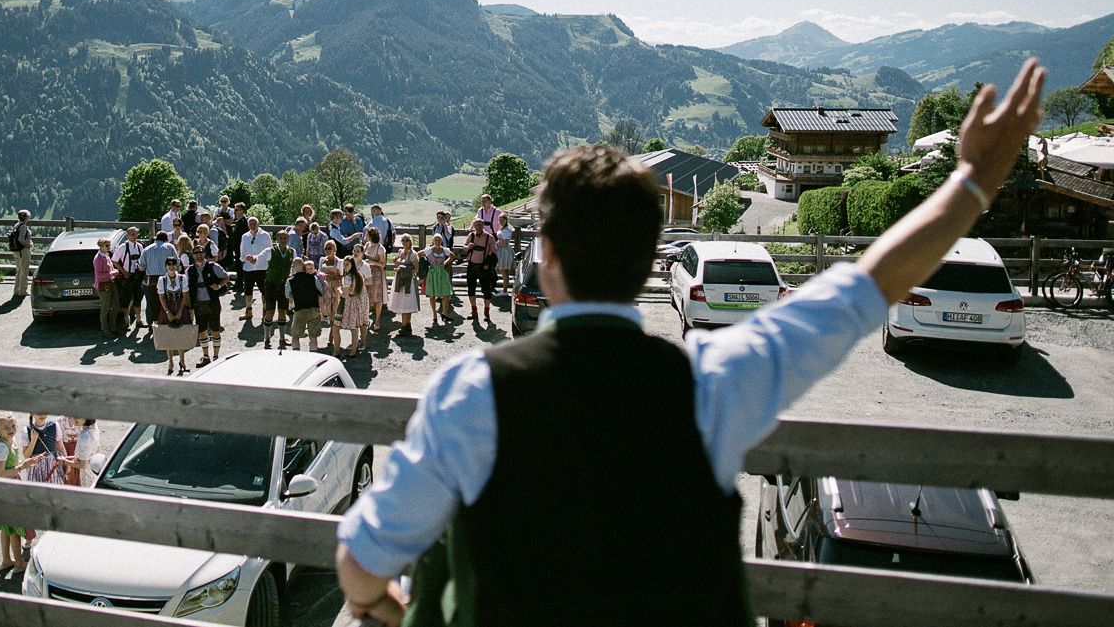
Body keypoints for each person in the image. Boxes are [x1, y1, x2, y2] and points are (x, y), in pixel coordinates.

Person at [334, 58, 1048, 627]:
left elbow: (360, 563)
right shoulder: (715, 382)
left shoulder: (470, 394)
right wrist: (974, 179)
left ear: (544, 253)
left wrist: (390, 611)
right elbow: (861, 290)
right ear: (652, 257)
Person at [0, 413, 43, 573]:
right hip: (7, 489)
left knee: (7, 528)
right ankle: (18, 563)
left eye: (13, 426)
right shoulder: (1, 447)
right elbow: (1, 473)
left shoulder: (10, 442)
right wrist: (21, 467)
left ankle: (6, 560)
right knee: (14, 528)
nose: (11, 430)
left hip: (11, 486)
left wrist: (27, 462)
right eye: (6, 428)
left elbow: (14, 462)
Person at [188, 245, 230, 367]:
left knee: (215, 330)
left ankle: (216, 356)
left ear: (205, 253)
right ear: (193, 256)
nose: (199, 255)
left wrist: (219, 286)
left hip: (212, 303)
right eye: (196, 253)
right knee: (202, 331)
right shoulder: (189, 271)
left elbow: (226, 277)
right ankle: (206, 356)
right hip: (198, 304)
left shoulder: (213, 267)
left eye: (201, 252)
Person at [256, 229, 295, 349]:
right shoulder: (270, 251)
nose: (283, 240)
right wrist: (252, 259)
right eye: (281, 238)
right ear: (277, 239)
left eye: (285, 238)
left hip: (284, 285)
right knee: (270, 312)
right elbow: (258, 257)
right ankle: (267, 338)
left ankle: (282, 338)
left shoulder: (292, 252)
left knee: (282, 311)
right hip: (271, 284)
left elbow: (296, 266)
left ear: (288, 239)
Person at [137, 231, 179, 337]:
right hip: (167, 277)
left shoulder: (147, 249)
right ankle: (166, 323)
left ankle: (152, 325)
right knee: (167, 301)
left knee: (152, 303)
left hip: (152, 279)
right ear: (166, 239)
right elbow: (177, 262)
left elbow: (141, 267)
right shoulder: (169, 247)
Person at [155, 257, 192, 374]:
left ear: (176, 266)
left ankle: (182, 361)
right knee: (168, 336)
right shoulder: (162, 280)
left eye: (173, 264)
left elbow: (185, 295)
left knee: (181, 335)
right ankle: (170, 362)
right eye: (169, 264)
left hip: (179, 307)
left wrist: (181, 310)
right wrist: (168, 312)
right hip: (168, 308)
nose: (171, 266)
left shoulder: (182, 278)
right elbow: (161, 297)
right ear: (166, 266)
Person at [462, 217, 497, 320]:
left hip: (484, 267)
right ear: (474, 226)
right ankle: (474, 311)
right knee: (471, 289)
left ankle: (486, 312)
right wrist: (468, 247)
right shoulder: (471, 235)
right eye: (476, 225)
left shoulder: (489, 237)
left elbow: (494, 253)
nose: (478, 227)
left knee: (486, 290)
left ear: (483, 225)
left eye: (480, 225)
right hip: (472, 265)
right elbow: (464, 246)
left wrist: (488, 264)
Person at [112, 227, 146, 331]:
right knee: (125, 300)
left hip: (137, 276)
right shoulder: (123, 247)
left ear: (137, 235)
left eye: (135, 234)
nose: (133, 236)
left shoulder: (140, 246)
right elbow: (114, 261)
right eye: (131, 234)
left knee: (138, 298)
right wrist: (124, 272)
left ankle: (139, 320)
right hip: (127, 277)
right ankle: (127, 322)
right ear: (127, 235)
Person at [239, 217, 271, 324]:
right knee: (248, 290)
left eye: (254, 223)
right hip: (248, 268)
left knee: (264, 290)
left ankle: (265, 311)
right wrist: (244, 262)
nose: (253, 226)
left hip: (262, 267)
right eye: (250, 224)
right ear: (248, 225)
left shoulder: (265, 235)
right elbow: (242, 251)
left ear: (258, 224)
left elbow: (270, 250)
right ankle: (248, 310)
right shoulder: (245, 236)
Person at [288, 259, 324, 351]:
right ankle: (313, 354)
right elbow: (321, 290)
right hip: (313, 308)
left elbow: (287, 295)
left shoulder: (290, 281)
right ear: (303, 265)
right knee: (313, 336)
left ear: (293, 267)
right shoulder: (313, 278)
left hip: (300, 309)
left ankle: (296, 355)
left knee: (295, 335)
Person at [388, 234, 420, 335]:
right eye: (403, 240)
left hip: (408, 281)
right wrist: (396, 263)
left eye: (406, 240)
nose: (404, 242)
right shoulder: (401, 252)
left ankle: (405, 325)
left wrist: (403, 269)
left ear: (410, 241)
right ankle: (406, 324)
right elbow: (399, 265)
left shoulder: (413, 254)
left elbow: (416, 269)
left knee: (407, 302)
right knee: (402, 302)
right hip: (400, 280)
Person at [337, 256, 368, 357]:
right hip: (356, 301)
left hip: (350, 302)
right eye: (344, 264)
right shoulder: (358, 275)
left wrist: (339, 291)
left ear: (352, 265)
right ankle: (353, 352)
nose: (345, 266)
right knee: (355, 328)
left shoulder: (348, 278)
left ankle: (352, 353)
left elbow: (345, 295)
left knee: (353, 328)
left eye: (347, 264)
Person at [422, 232, 454, 325]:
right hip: (432, 272)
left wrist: (446, 263)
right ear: (433, 241)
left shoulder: (445, 250)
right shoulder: (430, 250)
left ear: (441, 240)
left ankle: (444, 312)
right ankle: (434, 314)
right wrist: (425, 263)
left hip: (442, 272)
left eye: (439, 240)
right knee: (432, 294)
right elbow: (419, 253)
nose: (437, 241)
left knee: (446, 293)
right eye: (436, 240)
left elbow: (452, 256)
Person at [58, 419, 100, 488]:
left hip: (86, 474)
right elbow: (97, 450)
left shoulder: (84, 436)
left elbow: (83, 465)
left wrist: (64, 462)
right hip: (93, 470)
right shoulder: (94, 428)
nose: (75, 418)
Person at [363, 227, 388, 331]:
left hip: (377, 273)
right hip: (367, 272)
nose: (366, 236)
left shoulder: (380, 248)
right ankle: (366, 319)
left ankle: (377, 320)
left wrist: (372, 262)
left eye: (367, 234)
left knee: (377, 297)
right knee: (366, 296)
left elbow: (383, 264)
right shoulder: (367, 245)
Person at [93, 238, 118, 339]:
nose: (109, 247)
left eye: (109, 245)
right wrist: (113, 273)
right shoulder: (98, 258)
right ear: (101, 246)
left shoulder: (106, 255)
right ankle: (105, 329)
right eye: (107, 245)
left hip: (110, 283)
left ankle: (112, 327)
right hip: (103, 286)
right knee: (105, 307)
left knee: (116, 305)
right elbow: (99, 275)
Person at [320, 241, 344, 344]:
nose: (328, 250)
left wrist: (332, 277)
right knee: (327, 310)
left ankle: (332, 334)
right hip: (325, 289)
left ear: (334, 249)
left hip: (334, 288)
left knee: (334, 311)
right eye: (326, 248)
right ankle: (331, 330)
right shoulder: (322, 260)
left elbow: (342, 276)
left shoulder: (339, 262)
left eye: (330, 248)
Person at [11, 209, 33, 298]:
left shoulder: (16, 225)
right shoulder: (23, 226)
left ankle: (17, 290)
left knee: (19, 270)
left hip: (16, 251)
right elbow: (21, 239)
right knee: (24, 270)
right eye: (28, 217)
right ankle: (23, 290)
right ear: (25, 217)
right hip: (23, 251)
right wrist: (27, 245)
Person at [230, 202, 249, 292]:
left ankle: (241, 284)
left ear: (242, 211)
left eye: (236, 210)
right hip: (238, 247)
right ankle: (239, 283)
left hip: (241, 248)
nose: (234, 211)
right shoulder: (239, 221)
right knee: (238, 265)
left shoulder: (244, 221)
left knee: (240, 265)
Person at [495, 213, 514, 296]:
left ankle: (505, 291)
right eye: (500, 220)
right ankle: (504, 288)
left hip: (504, 252)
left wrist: (496, 244)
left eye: (503, 220)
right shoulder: (503, 229)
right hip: (502, 251)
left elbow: (505, 244)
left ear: (506, 220)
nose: (501, 222)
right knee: (503, 272)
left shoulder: (506, 230)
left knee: (504, 271)